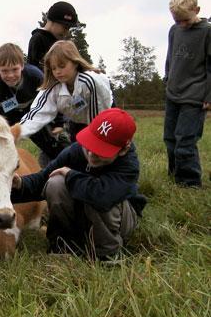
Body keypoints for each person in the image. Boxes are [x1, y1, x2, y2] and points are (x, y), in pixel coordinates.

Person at [12, 108, 147, 261]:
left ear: (123, 150)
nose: (91, 154)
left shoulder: (128, 165)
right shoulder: (76, 151)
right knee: (55, 182)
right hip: (85, 213)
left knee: (97, 196)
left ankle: (107, 253)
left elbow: (102, 196)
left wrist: (71, 175)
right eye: (91, 144)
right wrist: (20, 184)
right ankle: (63, 246)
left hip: (117, 219)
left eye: (101, 150)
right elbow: (42, 179)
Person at [0, 43, 69, 165]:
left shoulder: (35, 75)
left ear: (22, 66)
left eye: (15, 69)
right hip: (5, 116)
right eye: (4, 71)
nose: (10, 75)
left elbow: (53, 96)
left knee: (51, 145)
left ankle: (60, 166)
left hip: (31, 114)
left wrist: (59, 122)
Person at [20, 40, 113, 143]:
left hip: (106, 120)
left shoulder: (90, 82)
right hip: (77, 124)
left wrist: (95, 144)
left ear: (75, 63)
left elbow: (99, 117)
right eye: (54, 68)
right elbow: (38, 113)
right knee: (75, 156)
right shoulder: (52, 88)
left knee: (112, 152)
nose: (58, 72)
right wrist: (16, 133)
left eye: (62, 66)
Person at [163, 0, 211, 188]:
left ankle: (190, 183)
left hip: (195, 96)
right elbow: (170, 57)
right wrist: (167, 79)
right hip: (173, 93)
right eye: (177, 20)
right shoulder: (174, 30)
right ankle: (175, 177)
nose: (181, 24)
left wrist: (209, 96)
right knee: (170, 139)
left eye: (184, 20)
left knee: (185, 141)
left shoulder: (207, 32)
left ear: (196, 10)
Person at [27, 1, 78, 71]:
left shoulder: (59, 41)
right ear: (51, 21)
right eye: (65, 27)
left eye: (68, 28)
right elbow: (33, 69)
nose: (66, 32)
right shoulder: (38, 39)